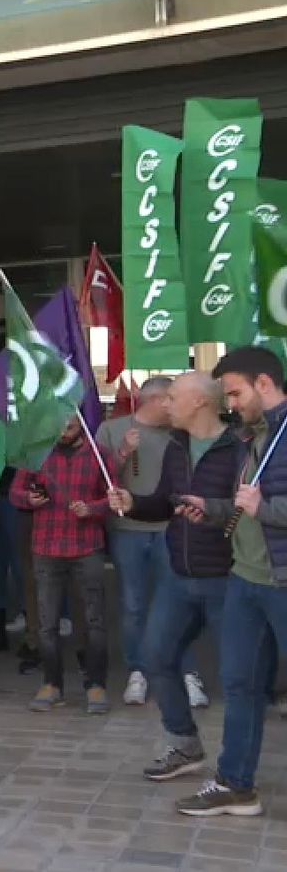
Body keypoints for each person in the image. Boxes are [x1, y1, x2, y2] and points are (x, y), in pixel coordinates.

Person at [172, 347, 287, 816]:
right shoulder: (252, 437)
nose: (231, 404)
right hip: (244, 578)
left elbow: (264, 506)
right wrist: (214, 508)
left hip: (280, 583)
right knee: (239, 684)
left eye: (235, 393)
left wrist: (265, 509)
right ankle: (236, 784)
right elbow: (246, 504)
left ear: (264, 384)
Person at [107, 372, 236, 783]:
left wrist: (214, 510)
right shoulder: (178, 445)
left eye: (174, 397)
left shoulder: (239, 448)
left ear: (199, 402)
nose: (166, 404)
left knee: (238, 679)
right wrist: (133, 502)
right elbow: (164, 501)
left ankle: (236, 773)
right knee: (157, 657)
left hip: (226, 578)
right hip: (178, 576)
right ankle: (184, 743)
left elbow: (247, 506)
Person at [10, 416, 112, 715]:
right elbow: (16, 492)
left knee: (94, 620)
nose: (62, 432)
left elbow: (116, 497)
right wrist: (29, 499)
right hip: (46, 546)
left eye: (68, 427)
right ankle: (51, 683)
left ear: (80, 423)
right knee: (47, 622)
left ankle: (95, 685)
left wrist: (92, 508)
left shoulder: (99, 454)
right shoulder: (36, 453)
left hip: (87, 546)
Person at [96, 376, 182, 707]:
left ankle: (181, 670)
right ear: (155, 400)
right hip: (128, 530)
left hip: (169, 527)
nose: (173, 406)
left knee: (174, 601)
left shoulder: (178, 433)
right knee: (133, 604)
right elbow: (99, 477)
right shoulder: (111, 430)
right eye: (170, 399)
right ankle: (138, 671)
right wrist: (123, 452)